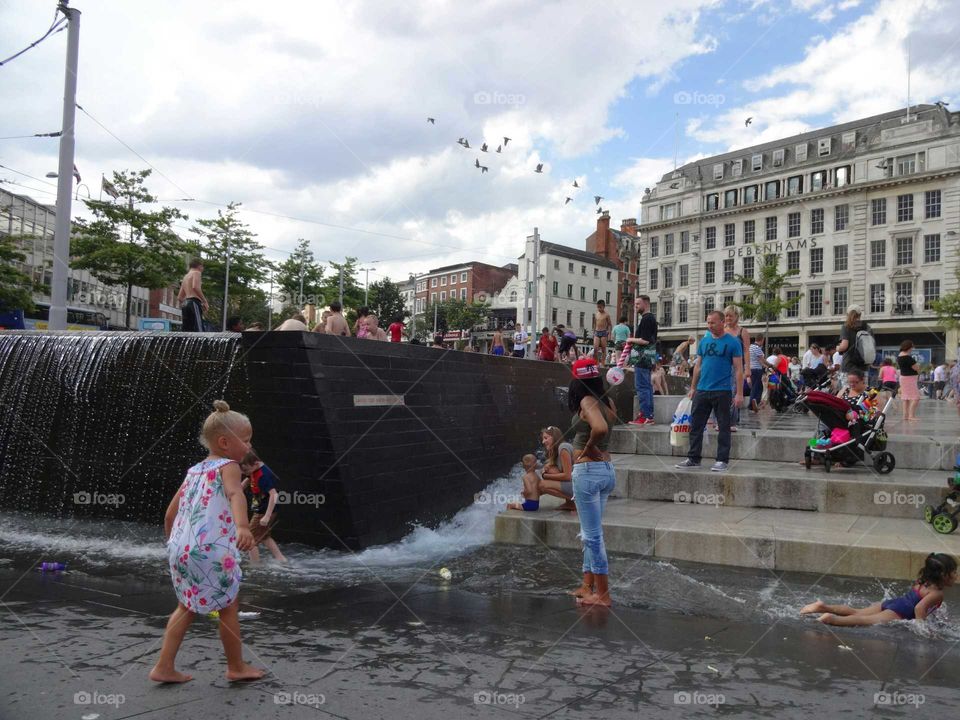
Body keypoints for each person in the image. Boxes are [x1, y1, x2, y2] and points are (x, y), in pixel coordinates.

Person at [150, 400, 264, 683]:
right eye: (247, 440)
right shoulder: (230, 466)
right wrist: (241, 526)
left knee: (185, 606)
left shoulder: (194, 470)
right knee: (228, 606)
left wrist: (174, 544)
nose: (250, 447)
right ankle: (236, 667)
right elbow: (236, 495)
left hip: (181, 548)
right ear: (225, 443)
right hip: (213, 550)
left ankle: (164, 666)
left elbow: (169, 514)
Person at [567, 357, 618, 607]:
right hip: (606, 471)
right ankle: (587, 586)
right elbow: (607, 424)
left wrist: (588, 448)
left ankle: (603, 596)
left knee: (592, 537)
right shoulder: (607, 401)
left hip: (588, 471)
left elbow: (599, 429)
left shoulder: (586, 401)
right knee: (591, 533)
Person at [801, 553, 956, 626]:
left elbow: (918, 601)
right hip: (898, 612)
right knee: (863, 620)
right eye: (954, 572)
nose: (957, 575)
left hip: (892, 603)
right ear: (943, 575)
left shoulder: (923, 583)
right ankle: (832, 619)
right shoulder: (937, 593)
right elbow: (919, 608)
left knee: (857, 611)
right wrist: (922, 628)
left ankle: (822, 606)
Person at [676, 310, 744, 473]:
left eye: (713, 322)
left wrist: (739, 393)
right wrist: (693, 387)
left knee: (724, 426)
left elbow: (739, 369)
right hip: (702, 390)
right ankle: (693, 458)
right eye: (708, 322)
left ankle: (722, 460)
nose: (709, 325)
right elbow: (698, 366)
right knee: (696, 425)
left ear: (722, 323)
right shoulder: (704, 342)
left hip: (723, 390)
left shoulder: (733, 342)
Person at [239, 449, 287, 563]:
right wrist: (238, 489)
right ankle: (281, 559)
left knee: (249, 539)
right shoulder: (255, 470)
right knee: (264, 536)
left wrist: (266, 516)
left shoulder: (263, 475)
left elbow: (274, 494)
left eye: (245, 470)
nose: (243, 473)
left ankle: (255, 565)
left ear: (255, 464)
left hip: (264, 511)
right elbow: (248, 478)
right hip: (262, 509)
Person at [627, 295, 657, 426]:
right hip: (648, 358)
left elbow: (645, 340)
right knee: (647, 387)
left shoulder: (646, 319)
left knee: (642, 387)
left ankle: (645, 415)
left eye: (638, 304)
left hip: (642, 358)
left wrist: (630, 340)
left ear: (646, 304)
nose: (636, 307)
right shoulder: (651, 319)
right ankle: (647, 415)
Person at [538, 425, 575, 511]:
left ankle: (577, 501)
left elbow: (567, 476)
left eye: (546, 438)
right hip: (574, 483)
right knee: (550, 470)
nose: (543, 441)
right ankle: (570, 503)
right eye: (543, 439)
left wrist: (545, 476)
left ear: (554, 437)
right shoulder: (557, 450)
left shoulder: (563, 448)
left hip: (579, 486)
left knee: (541, 485)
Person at [837, 305, 871, 377]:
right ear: (860, 314)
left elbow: (844, 346)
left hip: (849, 365)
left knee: (848, 388)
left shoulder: (846, 326)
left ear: (847, 314)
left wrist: (838, 348)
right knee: (861, 388)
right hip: (863, 367)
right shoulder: (867, 327)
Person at [177, 259, 208, 333]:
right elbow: (195, 287)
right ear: (199, 266)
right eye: (202, 266)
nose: (203, 269)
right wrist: (204, 301)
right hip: (194, 302)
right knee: (198, 328)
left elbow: (180, 297)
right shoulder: (197, 273)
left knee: (186, 330)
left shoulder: (185, 277)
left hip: (185, 304)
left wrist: (187, 303)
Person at [898, 340, 921, 421]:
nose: (912, 348)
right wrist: (918, 370)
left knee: (906, 398)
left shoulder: (900, 356)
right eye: (912, 347)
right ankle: (911, 415)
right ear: (909, 347)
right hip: (910, 378)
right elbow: (916, 368)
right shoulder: (908, 357)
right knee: (916, 397)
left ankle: (905, 416)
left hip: (903, 378)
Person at [592, 300, 613, 367]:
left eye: (600, 307)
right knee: (595, 348)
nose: (599, 309)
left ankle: (603, 363)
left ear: (604, 307)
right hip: (597, 332)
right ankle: (597, 363)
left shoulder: (606, 315)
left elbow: (610, 324)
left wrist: (609, 333)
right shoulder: (596, 314)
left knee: (604, 348)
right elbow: (594, 323)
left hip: (603, 332)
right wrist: (594, 331)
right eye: (598, 307)